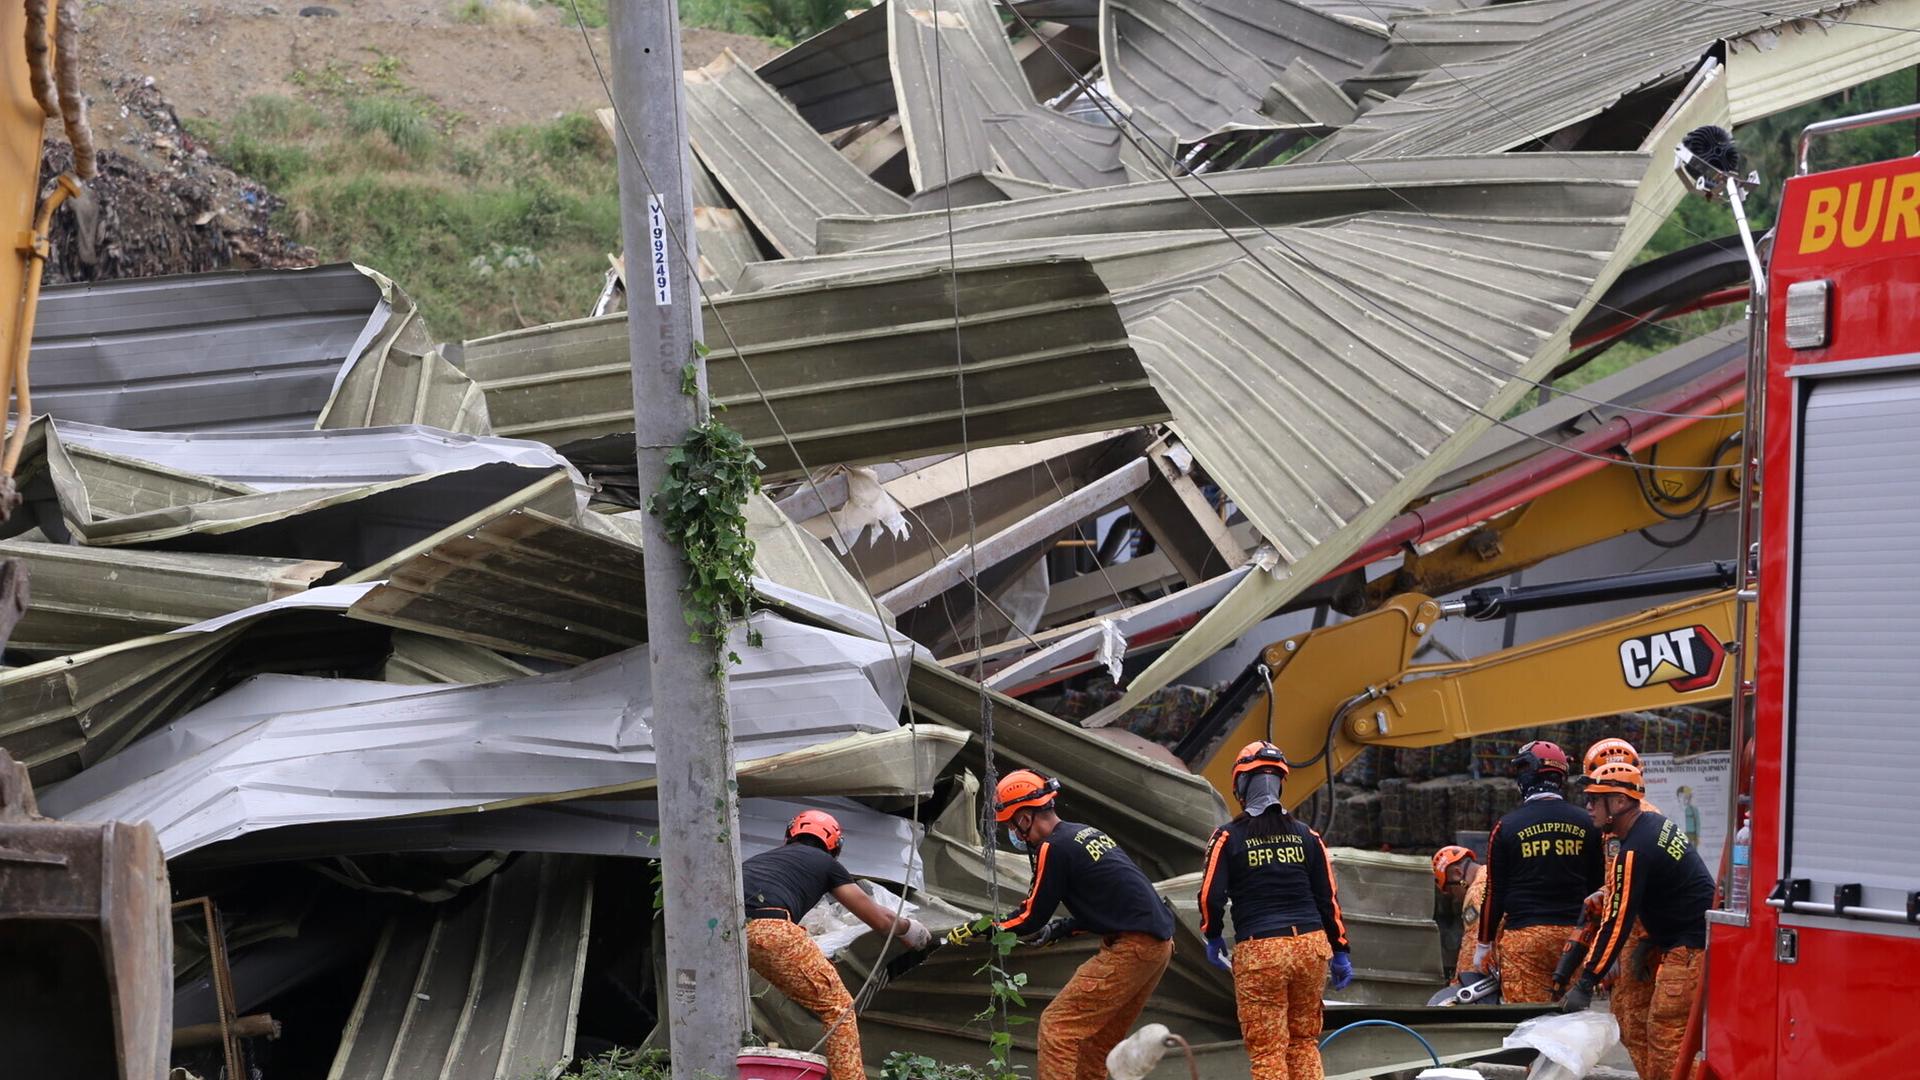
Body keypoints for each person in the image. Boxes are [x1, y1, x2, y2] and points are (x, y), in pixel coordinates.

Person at [964, 768, 1176, 1080]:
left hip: (1133, 947)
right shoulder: (1084, 833)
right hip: (1157, 946)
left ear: (1025, 817)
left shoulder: (1053, 847)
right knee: (1096, 1040)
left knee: (1058, 1026)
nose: (1012, 831)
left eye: (1011, 822)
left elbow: (1030, 916)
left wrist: (983, 928)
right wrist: (1060, 930)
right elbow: (1111, 902)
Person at [1199, 741, 1352, 1080]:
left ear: (1239, 785)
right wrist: (1340, 951)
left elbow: (1211, 895)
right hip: (1312, 948)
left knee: (1269, 1052)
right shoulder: (1308, 836)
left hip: (1262, 950)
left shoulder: (1228, 837)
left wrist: (1211, 935)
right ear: (1281, 782)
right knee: (1303, 1043)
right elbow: (1328, 899)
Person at [742, 809, 931, 1080]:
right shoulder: (826, 863)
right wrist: (912, 930)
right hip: (773, 929)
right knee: (838, 1008)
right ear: (835, 846)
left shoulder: (758, 861)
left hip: (727, 935)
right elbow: (880, 920)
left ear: (789, 836)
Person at [1561, 763, 1714, 1080]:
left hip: (1690, 953)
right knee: (1665, 1040)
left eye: (1594, 798)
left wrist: (1586, 981)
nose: (1588, 807)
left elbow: (1616, 921)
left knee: (1665, 1040)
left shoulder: (1633, 852)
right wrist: (1648, 941)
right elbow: (1675, 890)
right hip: (1697, 944)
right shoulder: (1654, 825)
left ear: (1618, 802)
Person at [1474, 740, 1603, 1002]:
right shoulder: (1588, 823)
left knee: (1526, 1025)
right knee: (1571, 1023)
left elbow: (1494, 893)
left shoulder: (1506, 826)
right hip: (1575, 940)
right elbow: (1598, 889)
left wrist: (1483, 944)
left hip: (1525, 941)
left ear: (1529, 774)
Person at [1570, 738, 1660, 1077]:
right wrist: (1604, 892)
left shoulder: (1635, 829)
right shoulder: (1627, 824)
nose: (1590, 805)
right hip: (1632, 936)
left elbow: (1630, 901)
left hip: (1637, 938)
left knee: (1639, 1024)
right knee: (1633, 1022)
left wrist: (1602, 961)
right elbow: (1622, 886)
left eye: (1595, 797)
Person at [1431, 845, 1486, 984]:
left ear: (1457, 873)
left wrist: (1457, 986)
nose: (1454, 897)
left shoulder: (1476, 893)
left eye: (1450, 889)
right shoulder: (1491, 874)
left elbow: (1472, 946)